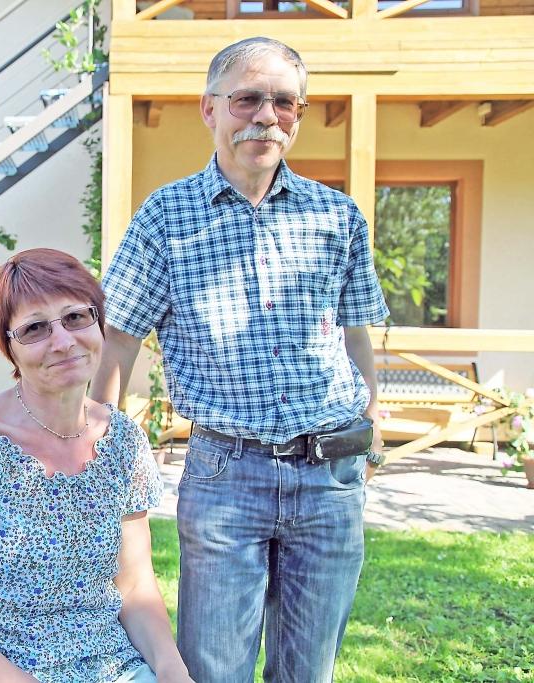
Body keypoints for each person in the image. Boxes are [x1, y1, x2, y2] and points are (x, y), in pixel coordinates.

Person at [90, 37, 389, 683]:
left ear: (298, 114)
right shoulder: (165, 217)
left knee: (307, 670)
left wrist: (370, 418)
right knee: (214, 667)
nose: (265, 116)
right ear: (209, 109)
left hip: (330, 471)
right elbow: (118, 337)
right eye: (247, 98)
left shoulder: (337, 216)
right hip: (226, 473)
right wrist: (99, 439)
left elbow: (357, 333)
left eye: (284, 102)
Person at [0, 248, 194, 683]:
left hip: (113, 669)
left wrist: (173, 671)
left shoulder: (122, 442)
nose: (62, 341)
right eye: (35, 328)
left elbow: (135, 588)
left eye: (76, 318)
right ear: (9, 348)